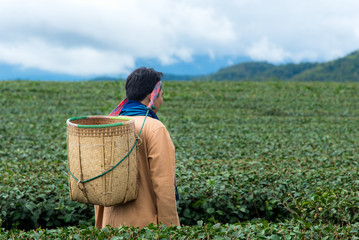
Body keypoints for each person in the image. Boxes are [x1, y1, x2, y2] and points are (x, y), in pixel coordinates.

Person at [94, 67, 180, 228]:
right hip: (143, 227)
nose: (162, 100)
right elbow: (163, 184)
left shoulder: (109, 125)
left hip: (109, 226)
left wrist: (100, 226)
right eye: (161, 95)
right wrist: (171, 228)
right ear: (152, 97)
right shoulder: (155, 128)